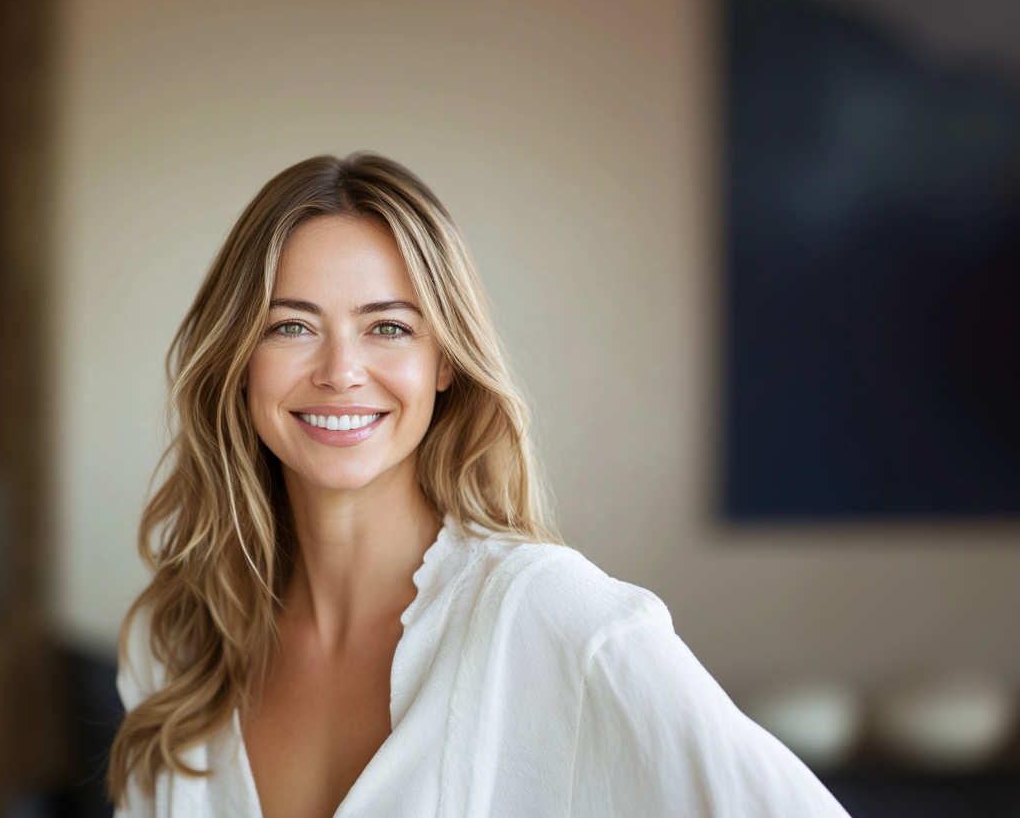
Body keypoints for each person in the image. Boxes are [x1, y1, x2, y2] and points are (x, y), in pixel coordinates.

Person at [109, 153, 849, 817]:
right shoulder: (176, 640)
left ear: (445, 362)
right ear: (237, 357)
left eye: (389, 327)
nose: (339, 371)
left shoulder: (549, 617)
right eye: (291, 327)